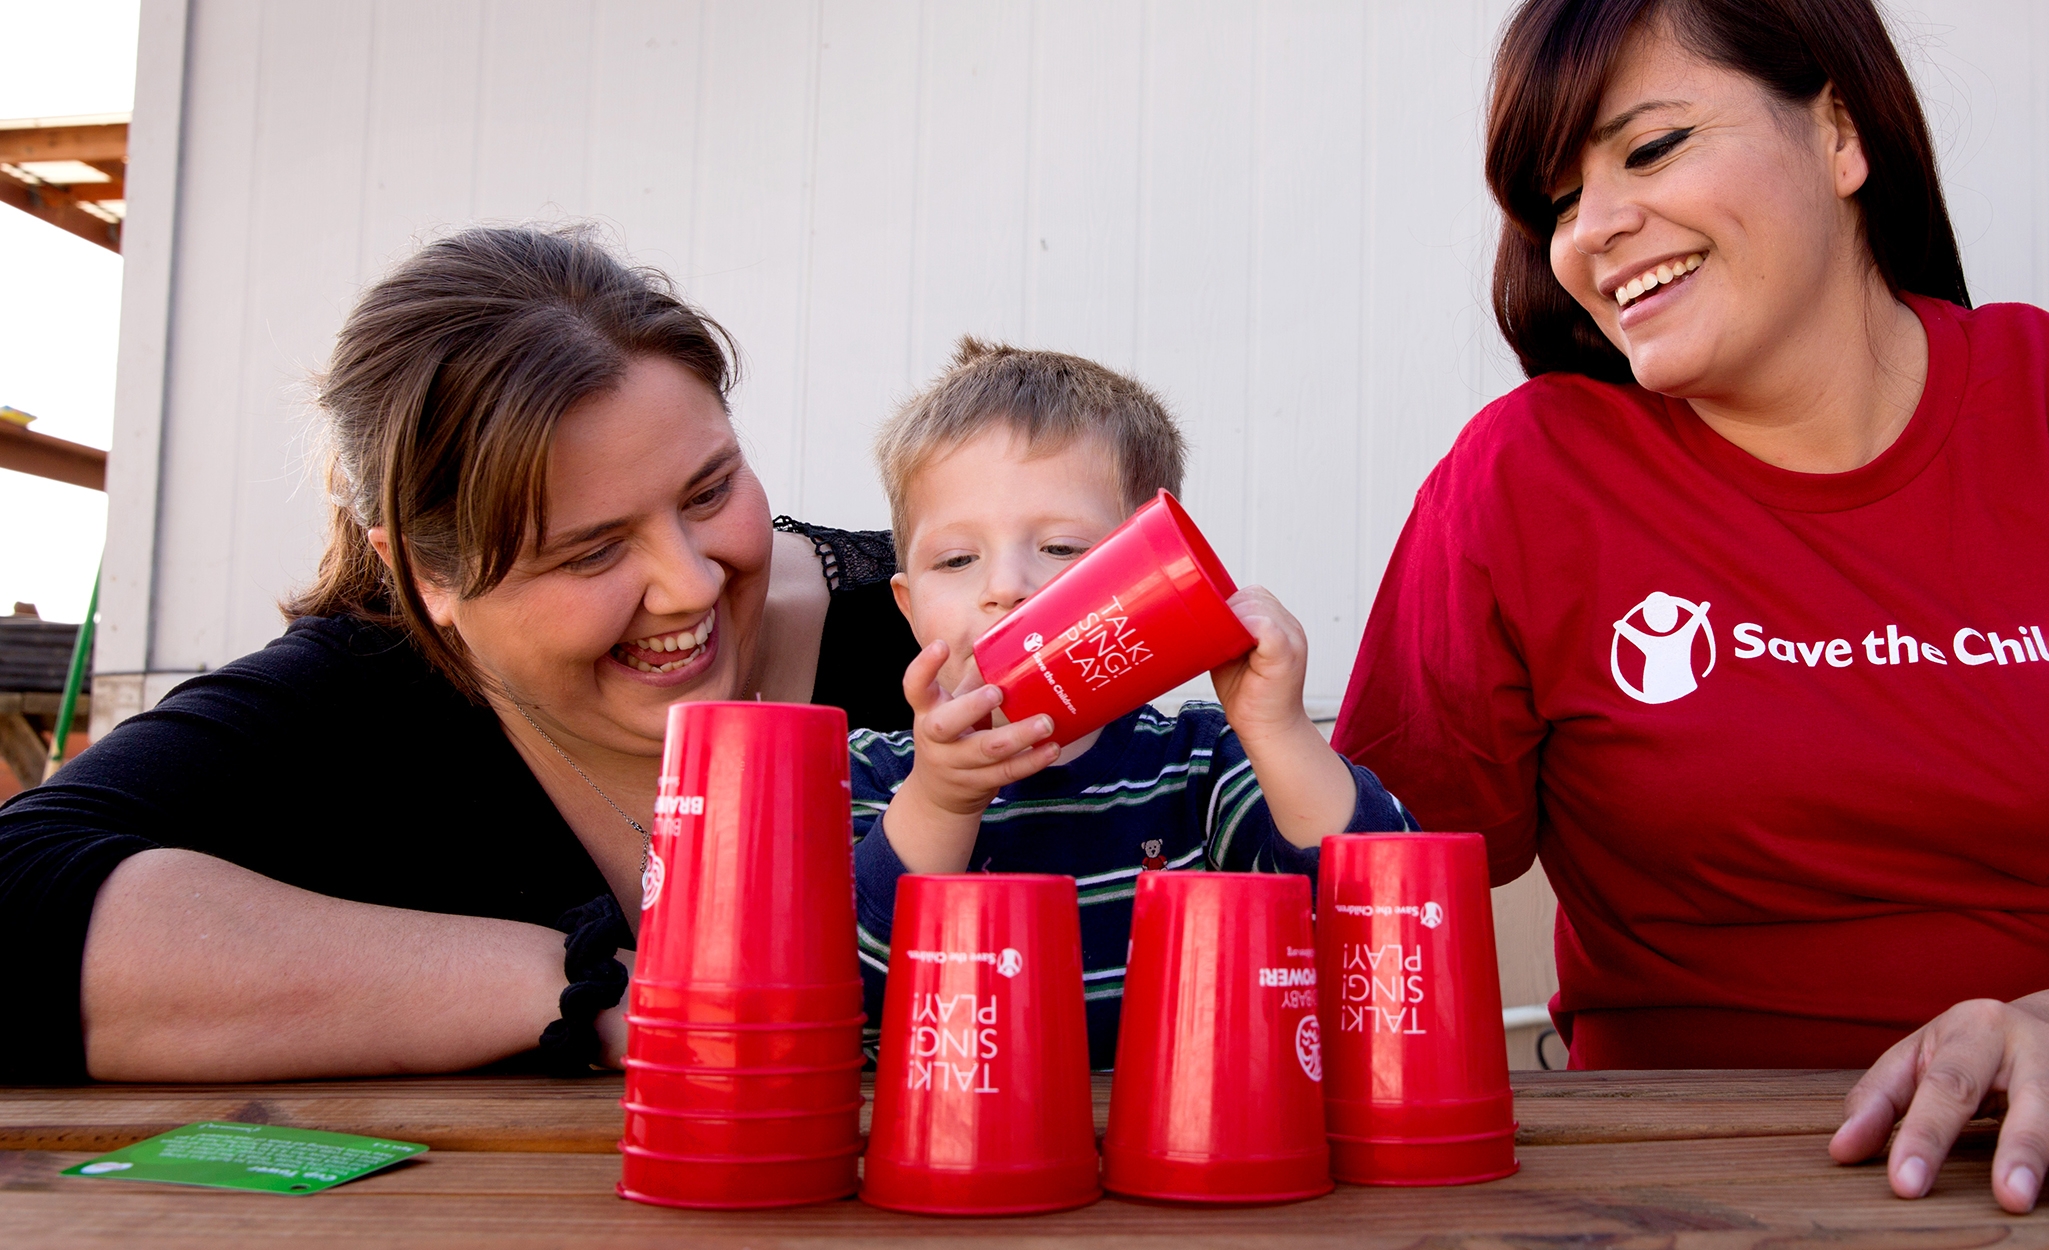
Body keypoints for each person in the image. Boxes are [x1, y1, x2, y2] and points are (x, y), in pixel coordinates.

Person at [1335, 0, 2049, 1215]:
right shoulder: (1526, 478)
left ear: (1840, 135)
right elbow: (1358, 878)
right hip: (1704, 1135)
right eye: (1559, 198)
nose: (1595, 231)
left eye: (1650, 147)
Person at [0, 225, 921, 1084]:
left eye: (710, 490)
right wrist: (586, 986)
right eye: (592, 551)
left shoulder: (928, 624)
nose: (689, 583)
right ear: (421, 574)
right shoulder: (360, 698)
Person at [847, 339, 1416, 1066]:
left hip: (1188, 1158)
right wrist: (940, 803)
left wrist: (1279, 731)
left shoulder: (1204, 765)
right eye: (957, 560)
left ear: (1141, 574)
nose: (1006, 587)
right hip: (950, 1161)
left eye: (1060, 548)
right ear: (907, 605)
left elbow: (1380, 927)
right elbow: (845, 991)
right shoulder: (869, 776)